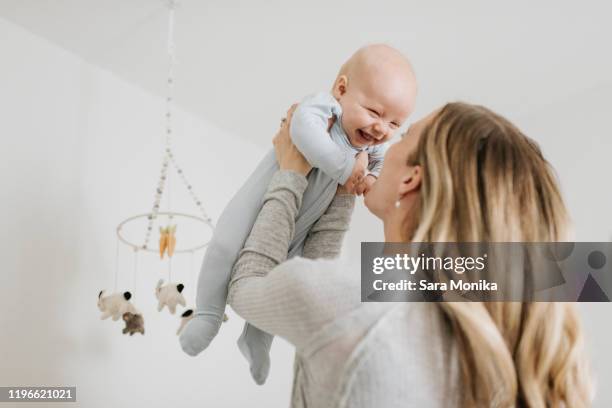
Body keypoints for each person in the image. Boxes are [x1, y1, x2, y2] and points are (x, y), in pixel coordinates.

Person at [227, 102, 593, 407]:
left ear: (409, 179)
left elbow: (246, 285)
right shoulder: (486, 330)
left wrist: (290, 174)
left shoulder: (350, 303)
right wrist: (340, 193)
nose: (384, 139)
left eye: (402, 135)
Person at [179, 44, 417, 385]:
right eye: (375, 112)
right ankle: (208, 314)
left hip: (299, 225)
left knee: (281, 275)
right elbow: (301, 131)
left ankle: (258, 338)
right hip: (261, 202)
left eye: (395, 123)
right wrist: (346, 168)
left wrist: (370, 177)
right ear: (341, 89)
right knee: (224, 245)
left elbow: (374, 168)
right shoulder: (323, 108)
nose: (382, 129)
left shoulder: (371, 148)